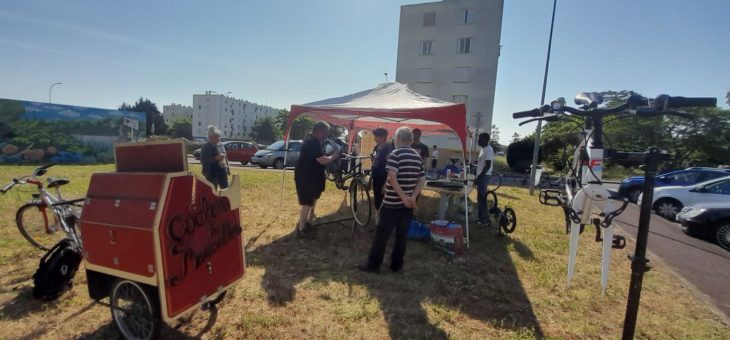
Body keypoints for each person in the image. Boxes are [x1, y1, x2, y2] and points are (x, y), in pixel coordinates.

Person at [358, 127, 426, 273]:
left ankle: (373, 265)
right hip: (407, 205)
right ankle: (396, 265)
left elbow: (392, 178)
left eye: (395, 138)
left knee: (382, 235)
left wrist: (403, 197)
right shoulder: (417, 156)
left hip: (391, 203)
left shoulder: (396, 154)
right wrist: (412, 197)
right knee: (401, 236)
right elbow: (422, 179)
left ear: (399, 139)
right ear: (411, 140)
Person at [294, 121, 340, 235]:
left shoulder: (313, 141)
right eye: (325, 132)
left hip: (312, 177)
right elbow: (322, 160)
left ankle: (308, 223)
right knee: (307, 203)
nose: (326, 135)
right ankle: (301, 229)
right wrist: (333, 156)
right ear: (319, 131)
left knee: (312, 199)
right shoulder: (312, 142)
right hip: (306, 177)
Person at [371, 128, 394, 211]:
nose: (374, 138)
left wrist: (386, 184)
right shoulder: (376, 147)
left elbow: (391, 168)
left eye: (376, 136)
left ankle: (383, 218)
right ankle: (378, 215)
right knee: (377, 197)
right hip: (376, 177)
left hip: (384, 178)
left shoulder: (389, 149)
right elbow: (374, 163)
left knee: (385, 200)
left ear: (383, 137)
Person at [200, 125, 229, 189]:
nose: (218, 138)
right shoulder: (206, 146)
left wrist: (227, 169)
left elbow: (225, 155)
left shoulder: (221, 145)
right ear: (210, 138)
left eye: (219, 136)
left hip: (222, 171)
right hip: (211, 173)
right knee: (212, 191)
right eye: (216, 137)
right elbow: (203, 160)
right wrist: (216, 158)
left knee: (226, 190)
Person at [475, 133, 494, 225]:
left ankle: (485, 220)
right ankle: (481, 218)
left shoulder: (488, 150)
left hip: (484, 176)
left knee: (483, 198)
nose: (478, 140)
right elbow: (482, 163)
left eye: (480, 139)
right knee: (480, 198)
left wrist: (480, 176)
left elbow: (488, 165)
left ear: (485, 140)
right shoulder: (483, 149)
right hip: (481, 176)